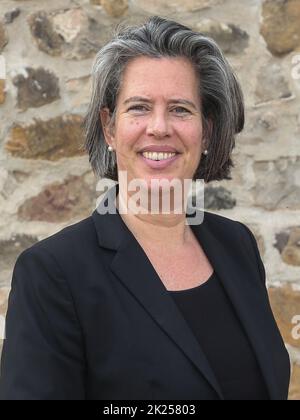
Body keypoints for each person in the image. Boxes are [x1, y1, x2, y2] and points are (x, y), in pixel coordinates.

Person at [0, 16, 290, 400]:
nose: (159, 127)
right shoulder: (53, 274)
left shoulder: (237, 246)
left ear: (206, 130)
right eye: (138, 107)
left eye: (181, 109)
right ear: (109, 128)